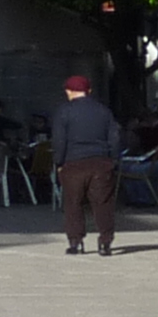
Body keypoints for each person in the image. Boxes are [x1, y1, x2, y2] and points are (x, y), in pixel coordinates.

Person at [51, 71, 122, 255]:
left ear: (69, 91)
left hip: (73, 163)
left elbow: (59, 140)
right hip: (100, 162)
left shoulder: (64, 111)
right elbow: (114, 138)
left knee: (73, 203)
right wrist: (113, 159)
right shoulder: (104, 111)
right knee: (103, 203)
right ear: (88, 91)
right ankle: (105, 242)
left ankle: (76, 242)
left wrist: (59, 162)